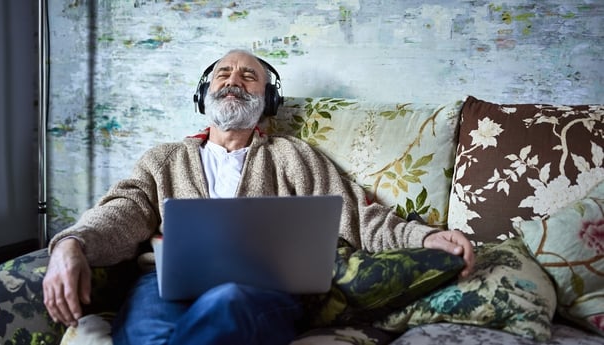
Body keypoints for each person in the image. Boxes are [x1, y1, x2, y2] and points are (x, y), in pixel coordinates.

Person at [42, 49, 475, 345]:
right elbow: (120, 212)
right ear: (203, 95)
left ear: (267, 100)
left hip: (257, 292)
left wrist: (424, 238)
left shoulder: (294, 157)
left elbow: (359, 217)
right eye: (223, 74)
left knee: (228, 303)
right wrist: (71, 243)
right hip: (163, 288)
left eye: (249, 76)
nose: (234, 81)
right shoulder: (164, 159)